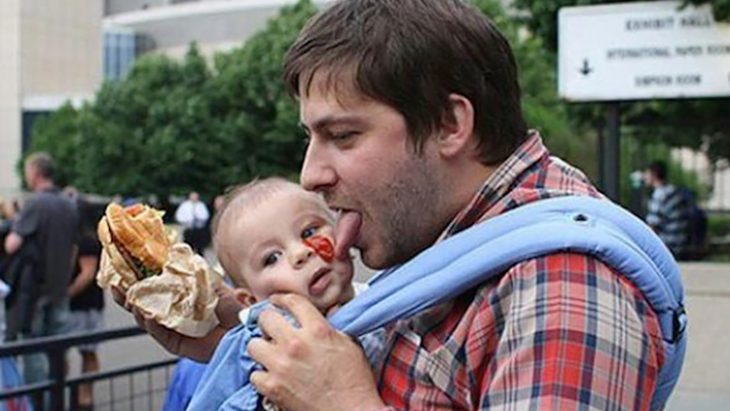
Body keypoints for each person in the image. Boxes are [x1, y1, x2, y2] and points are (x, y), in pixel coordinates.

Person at [128, 1, 669, 410]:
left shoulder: (562, 288)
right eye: (311, 140)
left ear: (449, 124)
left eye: (342, 136)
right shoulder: (447, 246)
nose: (311, 175)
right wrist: (240, 338)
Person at [186, 177, 382, 410]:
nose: (301, 252)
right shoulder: (258, 350)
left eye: (309, 231)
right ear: (250, 300)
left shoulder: (391, 299)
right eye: (272, 258)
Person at [3, 152, 78, 398]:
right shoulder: (68, 204)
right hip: (60, 290)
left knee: (34, 352)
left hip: (35, 292)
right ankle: (58, 401)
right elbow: (74, 249)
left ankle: (39, 404)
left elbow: (12, 244)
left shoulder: (35, 204)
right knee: (58, 353)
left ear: (34, 173)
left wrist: (13, 220)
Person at [66, 201, 104, 409]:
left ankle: (84, 396)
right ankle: (82, 394)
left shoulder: (87, 242)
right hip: (87, 303)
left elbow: (87, 274)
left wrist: (67, 294)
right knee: (85, 351)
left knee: (87, 351)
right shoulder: (88, 239)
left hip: (85, 304)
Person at [644, 160, 689, 256]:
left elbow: (652, 225)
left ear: (654, 175)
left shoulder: (659, 194)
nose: (645, 177)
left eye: (647, 173)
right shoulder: (671, 191)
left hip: (667, 243)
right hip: (679, 240)